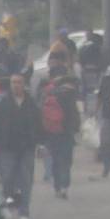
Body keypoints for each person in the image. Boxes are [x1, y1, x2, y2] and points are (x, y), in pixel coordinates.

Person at [0, 71, 41, 219]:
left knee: (25, 180)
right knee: (7, 179)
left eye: (19, 82)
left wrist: (40, 144)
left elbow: (38, 125)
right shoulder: (2, 103)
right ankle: (10, 204)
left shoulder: (31, 104)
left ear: (24, 84)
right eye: (13, 82)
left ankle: (24, 210)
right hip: (7, 147)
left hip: (27, 147)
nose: (16, 85)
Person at [38, 70, 80, 198]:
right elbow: (74, 115)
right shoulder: (70, 94)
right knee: (66, 161)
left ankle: (56, 187)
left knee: (55, 160)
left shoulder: (49, 94)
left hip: (51, 132)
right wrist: (76, 129)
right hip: (66, 133)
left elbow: (41, 113)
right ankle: (64, 187)